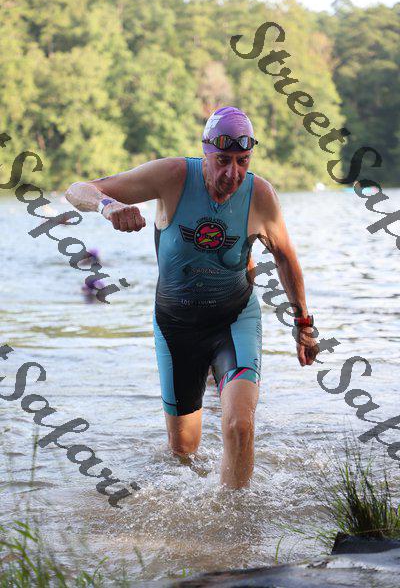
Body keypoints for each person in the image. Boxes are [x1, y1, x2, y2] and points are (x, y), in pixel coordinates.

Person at [65, 106, 318, 489]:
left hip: (234, 321)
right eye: (223, 161)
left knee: (240, 425)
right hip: (176, 328)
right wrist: (109, 206)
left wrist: (304, 325)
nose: (232, 174)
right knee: (183, 452)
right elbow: (76, 190)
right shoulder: (173, 176)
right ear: (205, 153)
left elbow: (285, 257)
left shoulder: (259, 195)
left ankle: (236, 518)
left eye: (242, 161)